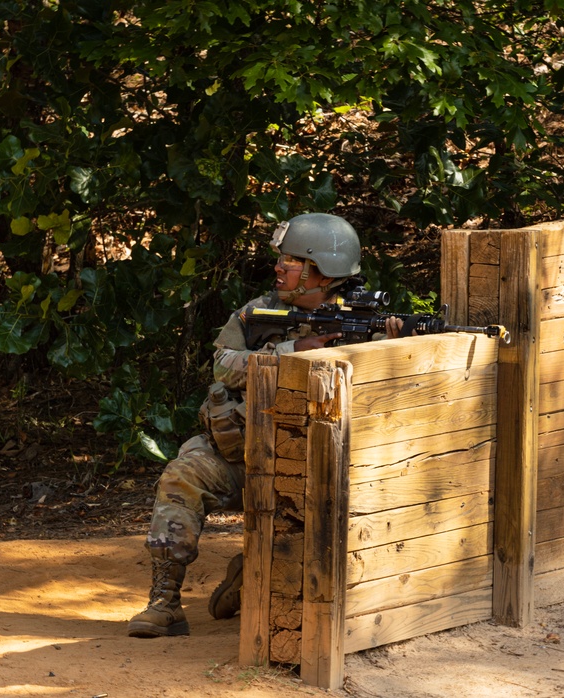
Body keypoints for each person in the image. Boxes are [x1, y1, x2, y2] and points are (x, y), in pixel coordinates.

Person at [127, 212, 404, 638]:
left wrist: (392, 345)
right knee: (181, 474)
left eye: (291, 261)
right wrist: (294, 349)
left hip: (313, 467)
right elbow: (223, 365)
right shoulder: (259, 312)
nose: (278, 267)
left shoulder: (362, 324)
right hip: (238, 454)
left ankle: (254, 573)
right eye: (282, 259)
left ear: (322, 272)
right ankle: (165, 604)